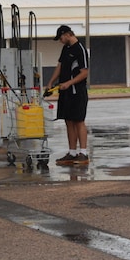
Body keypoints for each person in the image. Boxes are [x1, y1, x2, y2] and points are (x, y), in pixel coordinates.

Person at [46, 25, 90, 165]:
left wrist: (69, 83)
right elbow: (59, 66)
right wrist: (51, 81)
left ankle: (83, 153)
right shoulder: (66, 49)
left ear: (67, 34)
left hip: (77, 91)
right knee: (68, 120)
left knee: (79, 120)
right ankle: (72, 152)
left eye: (61, 37)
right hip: (65, 92)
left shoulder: (80, 50)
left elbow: (84, 73)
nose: (60, 40)